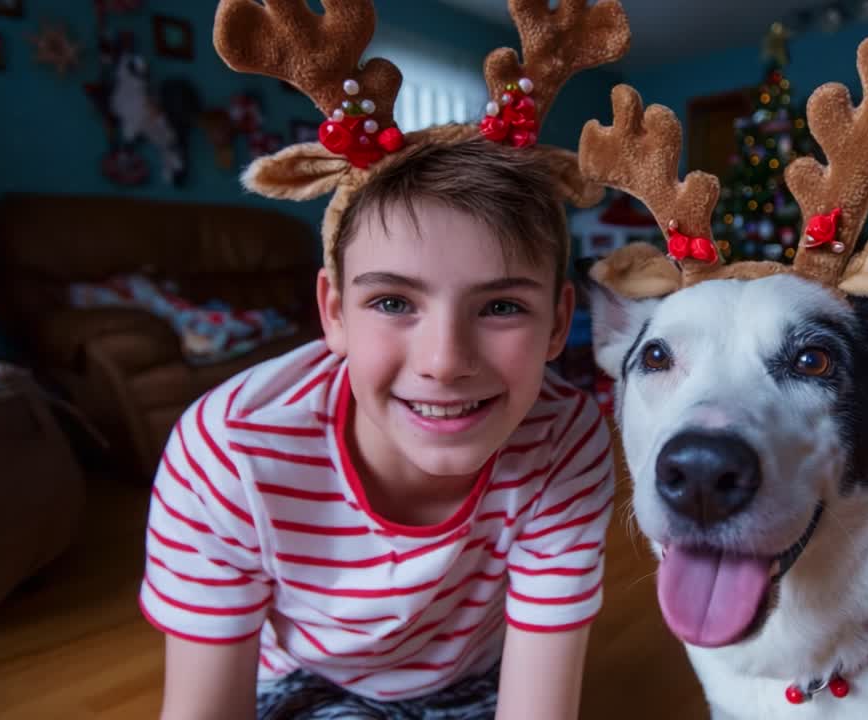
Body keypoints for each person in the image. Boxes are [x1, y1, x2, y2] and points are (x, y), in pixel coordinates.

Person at [141, 136, 615, 720]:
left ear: (557, 323)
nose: (443, 361)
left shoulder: (567, 438)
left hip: (476, 679)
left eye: (500, 307)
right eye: (393, 303)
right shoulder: (227, 453)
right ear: (334, 313)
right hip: (309, 681)